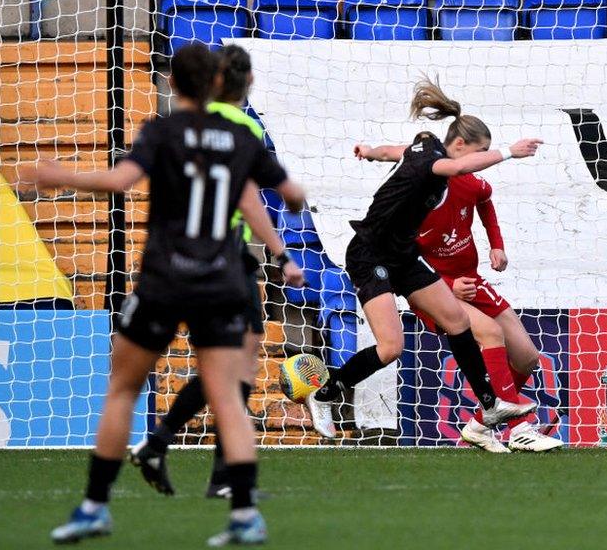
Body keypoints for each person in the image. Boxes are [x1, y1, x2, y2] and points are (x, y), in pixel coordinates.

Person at [32, 43, 306, 545]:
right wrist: (287, 216)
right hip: (222, 278)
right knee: (228, 395)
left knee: (123, 389)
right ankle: (244, 515)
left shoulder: (162, 131)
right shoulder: (241, 137)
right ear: (219, 83)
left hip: (164, 279)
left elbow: (120, 181)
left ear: (173, 83)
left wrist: (59, 175)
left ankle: (95, 506)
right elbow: (291, 195)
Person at [305, 77, 543, 437]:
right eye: (477, 153)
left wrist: (369, 151)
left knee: (457, 321)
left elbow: (392, 151)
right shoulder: (433, 164)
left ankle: (490, 405)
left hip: (403, 256)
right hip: (370, 256)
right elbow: (460, 168)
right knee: (391, 347)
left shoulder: (424, 147)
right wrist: (511, 152)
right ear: (459, 145)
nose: (478, 161)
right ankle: (325, 394)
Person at [129, 44, 306, 500]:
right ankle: (208, 467)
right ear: (248, 84)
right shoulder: (241, 127)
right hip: (227, 258)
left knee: (227, 367)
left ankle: (170, 446)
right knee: (236, 368)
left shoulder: (190, 125)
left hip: (182, 255)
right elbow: (251, 197)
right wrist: (281, 253)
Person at [345, 152, 562, 453]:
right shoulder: (414, 206)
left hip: (472, 280)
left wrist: (496, 245)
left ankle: (478, 425)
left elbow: (485, 200)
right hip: (437, 290)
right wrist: (449, 286)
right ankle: (519, 430)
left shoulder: (468, 183)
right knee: (490, 334)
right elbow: (403, 262)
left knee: (527, 357)